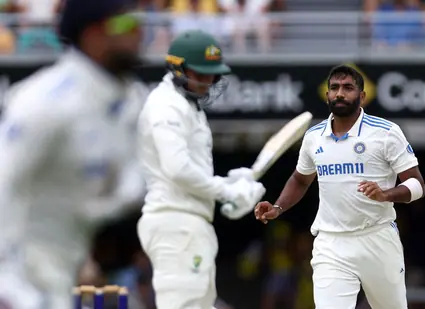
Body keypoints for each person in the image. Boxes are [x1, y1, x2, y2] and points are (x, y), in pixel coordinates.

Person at [0, 0, 145, 309]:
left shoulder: (130, 102)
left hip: (65, 273)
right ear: (91, 35)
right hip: (18, 284)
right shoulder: (44, 103)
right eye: (125, 23)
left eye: (138, 19)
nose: (138, 30)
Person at [254, 65, 425, 309]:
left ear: (362, 96)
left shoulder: (386, 132)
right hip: (331, 243)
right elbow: (300, 179)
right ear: (327, 95)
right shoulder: (314, 137)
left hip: (377, 237)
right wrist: (278, 207)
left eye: (348, 88)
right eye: (334, 88)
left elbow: (417, 184)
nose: (340, 94)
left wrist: (385, 194)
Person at [136, 29, 266, 309]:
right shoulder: (166, 106)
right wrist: (225, 191)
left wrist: (230, 180)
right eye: (200, 73)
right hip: (175, 222)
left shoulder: (187, 106)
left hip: (191, 224)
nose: (207, 82)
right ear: (177, 67)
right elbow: (178, 169)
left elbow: (190, 170)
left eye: (212, 75)